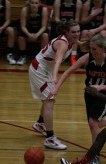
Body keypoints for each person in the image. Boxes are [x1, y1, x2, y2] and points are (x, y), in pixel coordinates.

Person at [48, 34, 106, 164]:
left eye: (95, 49)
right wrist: (56, 88)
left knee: (93, 123)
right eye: (90, 48)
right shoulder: (87, 58)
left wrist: (100, 88)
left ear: (103, 49)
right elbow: (67, 72)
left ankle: (95, 156)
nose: (92, 51)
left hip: (104, 96)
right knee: (95, 124)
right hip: (89, 95)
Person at [29, 20, 80, 150]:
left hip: (46, 69)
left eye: (78, 31)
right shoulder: (62, 44)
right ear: (66, 32)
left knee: (49, 100)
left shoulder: (72, 40)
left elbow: (80, 44)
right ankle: (50, 139)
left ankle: (40, 124)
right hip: (40, 70)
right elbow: (58, 60)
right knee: (49, 101)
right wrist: (55, 77)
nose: (76, 34)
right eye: (73, 32)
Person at [17, 0, 49, 66]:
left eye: (36, 3)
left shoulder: (44, 10)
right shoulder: (25, 10)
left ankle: (42, 57)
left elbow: (44, 26)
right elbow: (23, 26)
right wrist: (29, 34)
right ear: (29, 3)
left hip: (39, 29)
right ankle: (22, 56)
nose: (34, 5)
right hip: (28, 29)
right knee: (21, 36)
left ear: (40, 4)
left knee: (45, 35)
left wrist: (37, 35)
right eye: (32, 3)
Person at [51, 0, 83, 65]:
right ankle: (56, 57)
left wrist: (70, 26)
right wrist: (64, 26)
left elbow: (76, 19)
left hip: (72, 26)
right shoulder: (58, 2)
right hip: (61, 26)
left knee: (75, 34)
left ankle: (73, 58)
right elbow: (56, 19)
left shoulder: (78, 2)